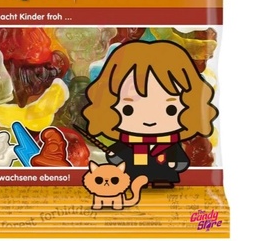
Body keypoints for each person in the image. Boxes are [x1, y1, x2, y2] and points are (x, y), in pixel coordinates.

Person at [82, 40, 218, 188]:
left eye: (170, 109)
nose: (149, 119)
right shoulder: (129, 141)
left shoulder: (169, 142)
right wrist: (113, 155)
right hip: (133, 176)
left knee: (162, 176)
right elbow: (119, 152)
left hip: (163, 174)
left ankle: (161, 182)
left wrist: (177, 163)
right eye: (129, 110)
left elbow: (179, 158)